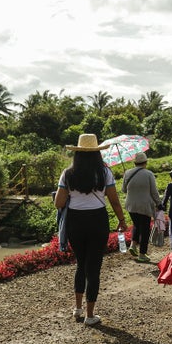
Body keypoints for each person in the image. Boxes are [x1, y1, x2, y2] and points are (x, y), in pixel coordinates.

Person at [53, 134, 128, 326]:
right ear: (96, 153)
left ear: (77, 153)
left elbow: (58, 203)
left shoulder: (67, 174)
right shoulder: (105, 173)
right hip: (97, 220)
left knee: (80, 264)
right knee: (93, 267)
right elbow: (114, 200)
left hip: (75, 222)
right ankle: (90, 315)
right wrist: (122, 220)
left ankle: (77, 308)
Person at [122, 152, 160, 264]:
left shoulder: (127, 173)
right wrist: (159, 203)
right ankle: (142, 254)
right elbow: (154, 192)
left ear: (134, 163)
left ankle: (133, 245)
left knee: (136, 225)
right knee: (144, 229)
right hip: (144, 206)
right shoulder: (149, 174)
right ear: (145, 162)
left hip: (130, 205)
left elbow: (124, 190)